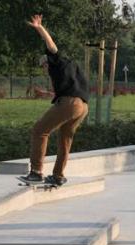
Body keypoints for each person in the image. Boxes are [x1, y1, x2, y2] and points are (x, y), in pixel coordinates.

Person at [19, 14, 89, 186]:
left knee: (39, 130)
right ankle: (58, 175)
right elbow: (69, 91)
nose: (44, 70)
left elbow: (51, 45)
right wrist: (51, 94)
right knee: (65, 138)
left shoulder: (57, 61)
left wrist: (39, 27)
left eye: (44, 66)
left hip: (70, 103)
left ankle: (36, 172)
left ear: (48, 63)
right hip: (82, 106)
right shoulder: (70, 66)